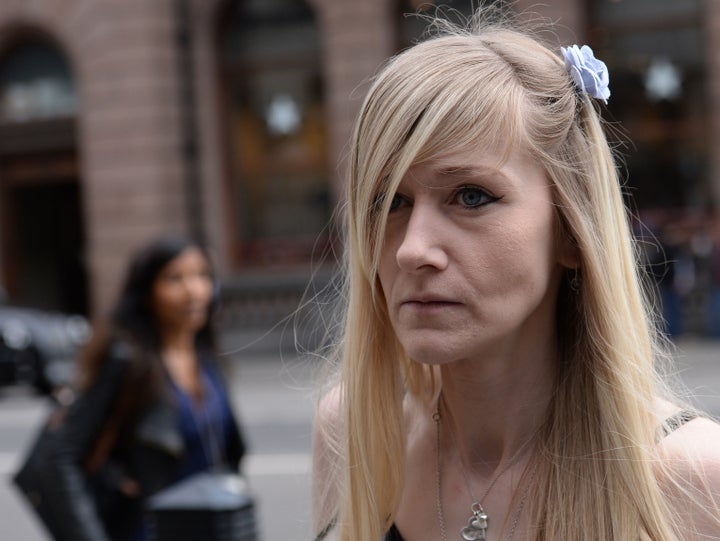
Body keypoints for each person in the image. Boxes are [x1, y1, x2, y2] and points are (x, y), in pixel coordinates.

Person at [311, 6, 720, 541]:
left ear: (572, 231)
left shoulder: (692, 480)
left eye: (471, 196)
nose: (412, 250)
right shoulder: (355, 435)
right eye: (390, 202)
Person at [40, 235, 246, 541]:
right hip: (150, 530)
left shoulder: (208, 358)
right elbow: (60, 459)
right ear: (147, 292)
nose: (194, 291)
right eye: (175, 278)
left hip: (211, 526)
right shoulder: (128, 361)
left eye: (202, 276)